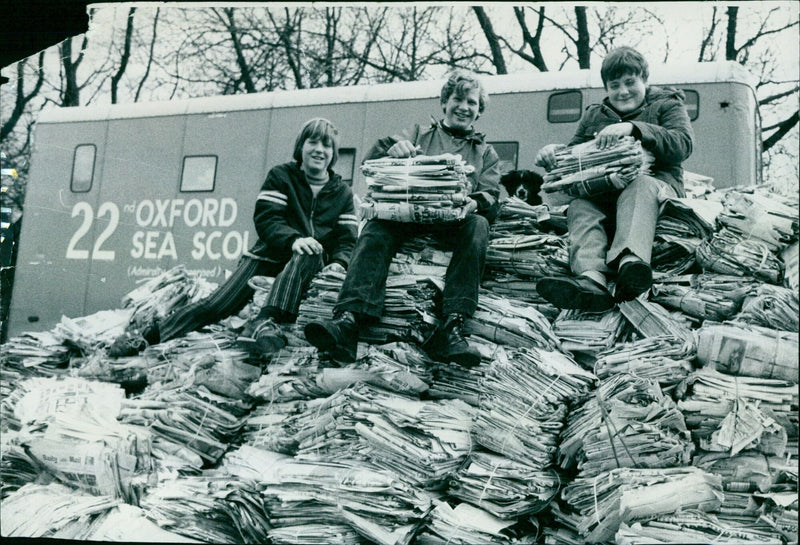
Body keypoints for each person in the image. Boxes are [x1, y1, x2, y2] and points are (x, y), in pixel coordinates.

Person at [108, 118, 357, 357]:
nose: (319, 150)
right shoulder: (282, 177)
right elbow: (268, 220)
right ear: (300, 146)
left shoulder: (342, 193)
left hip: (308, 266)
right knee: (215, 306)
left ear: (334, 154)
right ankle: (147, 336)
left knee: (310, 251)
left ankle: (264, 320)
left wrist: (339, 262)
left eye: (326, 145)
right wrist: (293, 239)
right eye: (313, 142)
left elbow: (347, 239)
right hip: (268, 256)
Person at [303, 69, 501, 368]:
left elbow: (492, 195)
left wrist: (473, 202)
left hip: (453, 225)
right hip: (407, 219)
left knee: (480, 225)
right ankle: (349, 319)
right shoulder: (418, 134)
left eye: (472, 102)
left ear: (479, 111)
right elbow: (375, 157)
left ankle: (452, 326)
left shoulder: (486, 153)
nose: (464, 107)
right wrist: (393, 150)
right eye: (458, 99)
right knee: (376, 226)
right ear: (444, 103)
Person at [534, 46, 694, 312]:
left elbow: (683, 144)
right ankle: (591, 279)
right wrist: (554, 153)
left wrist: (635, 128)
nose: (623, 92)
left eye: (630, 82)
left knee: (639, 184)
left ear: (645, 79)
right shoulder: (594, 115)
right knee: (580, 206)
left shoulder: (667, 105)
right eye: (614, 85)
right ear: (606, 88)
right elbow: (575, 155)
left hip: (656, 188)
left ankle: (631, 265)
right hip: (604, 195)